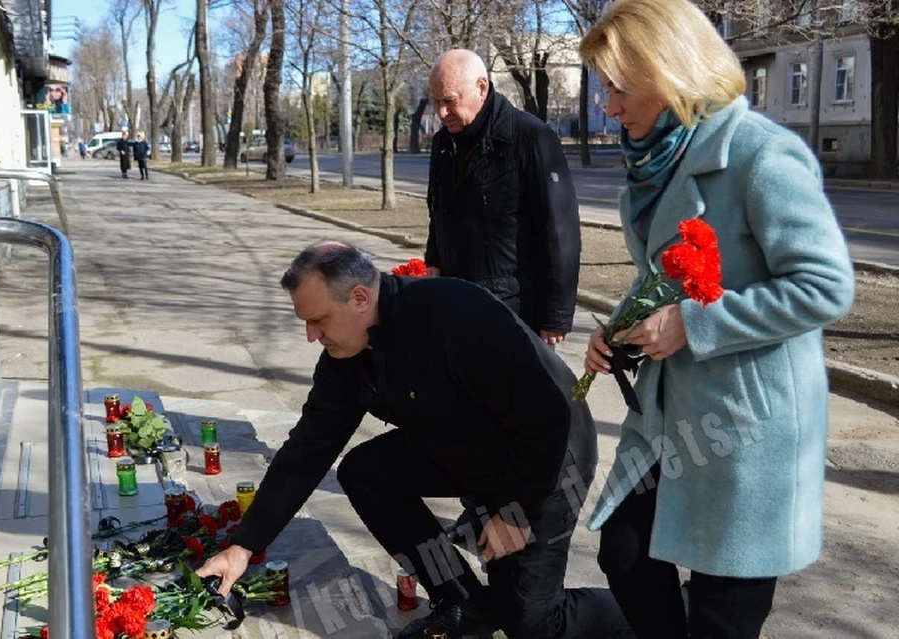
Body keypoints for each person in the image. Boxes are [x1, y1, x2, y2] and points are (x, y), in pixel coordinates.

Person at [578, 1, 855, 637]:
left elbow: (826, 287)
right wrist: (616, 329)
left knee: (721, 612)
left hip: (746, 427)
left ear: (668, 71)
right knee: (624, 550)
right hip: (673, 417)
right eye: (605, 90)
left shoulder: (761, 154)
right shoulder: (648, 172)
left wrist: (694, 327)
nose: (610, 108)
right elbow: (665, 280)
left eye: (619, 88)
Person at [197, 241, 631, 639]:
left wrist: (515, 513)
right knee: (366, 473)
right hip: (464, 451)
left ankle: (660, 607)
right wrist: (244, 545)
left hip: (547, 461)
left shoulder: (455, 314)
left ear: (360, 298)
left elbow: (547, 415)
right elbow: (308, 447)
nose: (312, 336)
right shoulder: (345, 355)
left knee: (533, 624)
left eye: (318, 320)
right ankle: (461, 599)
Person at [425, 49, 580, 348]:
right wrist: (433, 259)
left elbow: (560, 231)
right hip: (455, 299)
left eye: (449, 101)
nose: (442, 113)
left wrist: (557, 315)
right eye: (436, 102)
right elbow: (438, 210)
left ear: (481, 88)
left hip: (514, 310)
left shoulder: (531, 138)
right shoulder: (443, 144)